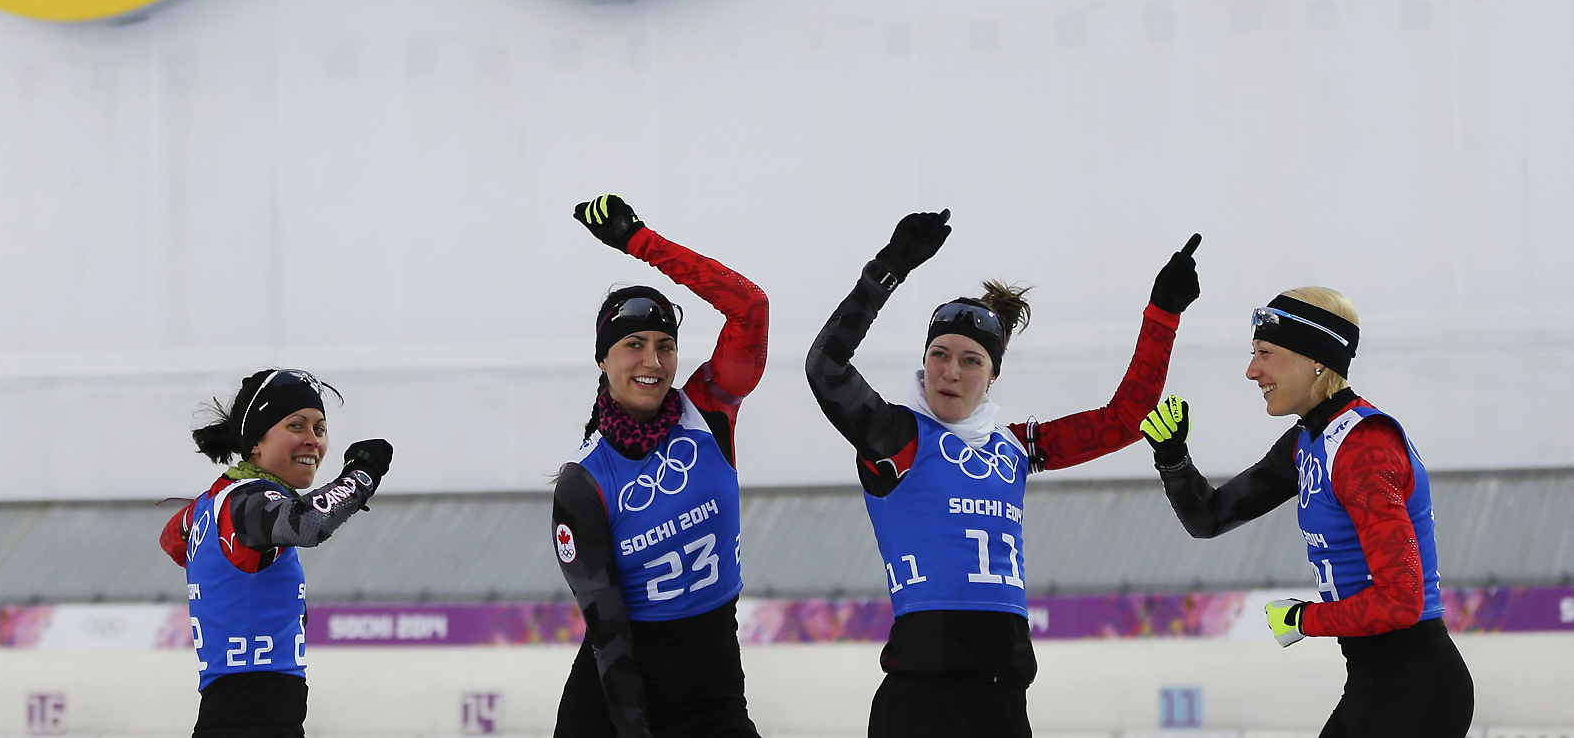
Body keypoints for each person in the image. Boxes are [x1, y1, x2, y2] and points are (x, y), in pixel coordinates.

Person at [805, 211, 1200, 737]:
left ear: (992, 373)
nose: (950, 371)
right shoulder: (895, 436)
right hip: (920, 701)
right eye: (939, 354)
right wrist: (891, 267)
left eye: (971, 361)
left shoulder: (1013, 447)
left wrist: (1163, 315)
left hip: (1003, 700)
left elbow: (1125, 420)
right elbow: (826, 367)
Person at [1137, 287, 1474, 736]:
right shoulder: (1308, 441)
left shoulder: (1363, 446)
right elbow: (1210, 517)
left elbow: (1402, 602)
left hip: (1414, 684)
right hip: (1378, 681)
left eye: (1265, 353)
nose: (1251, 370)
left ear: (1314, 359)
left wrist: (1305, 619)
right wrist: (1173, 457)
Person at [551, 195, 770, 738]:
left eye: (664, 345)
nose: (652, 361)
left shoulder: (709, 411)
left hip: (713, 680)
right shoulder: (584, 479)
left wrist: (641, 244)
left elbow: (751, 308)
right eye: (633, 345)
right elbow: (608, 631)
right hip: (615, 696)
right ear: (603, 360)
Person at [159, 368, 394, 738]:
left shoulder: (214, 503)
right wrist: (361, 476)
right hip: (255, 721)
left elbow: (172, 538)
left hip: (237, 717)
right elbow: (308, 523)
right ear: (256, 442)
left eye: (320, 428)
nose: (312, 440)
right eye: (296, 426)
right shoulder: (247, 501)